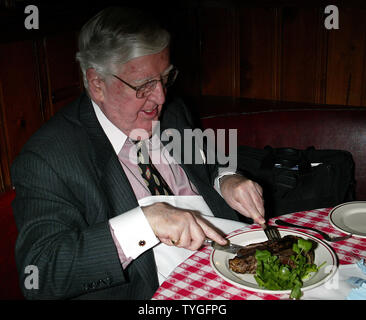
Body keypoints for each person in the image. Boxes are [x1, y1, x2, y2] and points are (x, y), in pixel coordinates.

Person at [11, 7, 265, 300]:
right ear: (97, 84)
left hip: (234, 267)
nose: (160, 97)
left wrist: (227, 178)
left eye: (165, 79)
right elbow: (41, 273)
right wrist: (145, 222)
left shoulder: (172, 113)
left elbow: (210, 165)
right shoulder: (48, 158)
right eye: (144, 85)